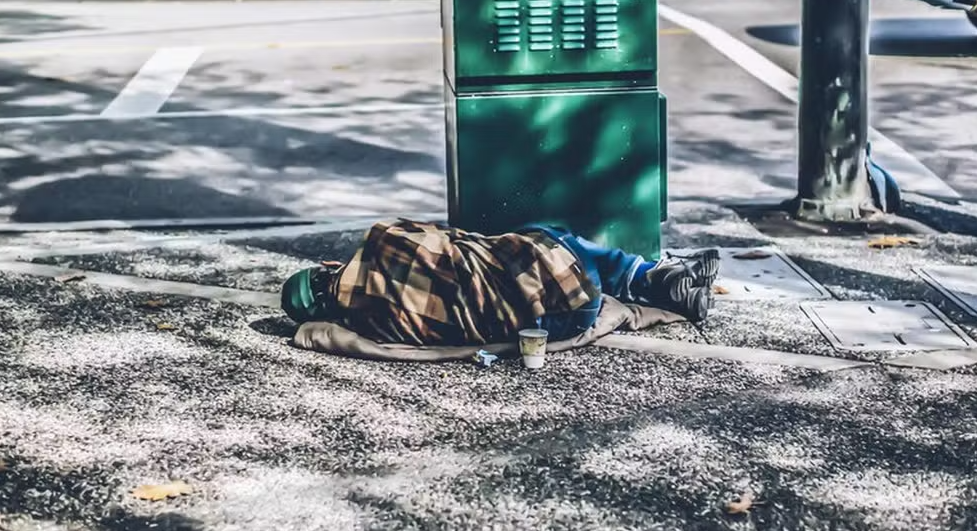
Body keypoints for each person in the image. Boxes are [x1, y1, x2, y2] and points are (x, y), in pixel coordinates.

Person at [280, 219, 719, 347]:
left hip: (560, 319)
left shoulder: (375, 326)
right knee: (541, 233)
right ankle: (651, 275)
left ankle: (656, 280)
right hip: (570, 269)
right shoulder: (384, 238)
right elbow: (456, 238)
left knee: (524, 263)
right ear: (327, 265)